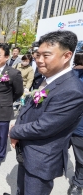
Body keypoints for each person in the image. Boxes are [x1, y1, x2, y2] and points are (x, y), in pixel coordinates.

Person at [8, 30, 83, 195]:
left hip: (40, 160)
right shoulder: (48, 78)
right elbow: (31, 108)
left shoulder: (72, 90)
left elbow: (44, 126)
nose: (39, 60)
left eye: (46, 55)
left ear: (66, 56)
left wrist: (14, 130)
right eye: (37, 54)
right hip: (27, 150)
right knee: (21, 189)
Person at [68, 53, 83, 195]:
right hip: (62, 125)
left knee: (81, 159)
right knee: (52, 152)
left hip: (81, 129)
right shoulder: (68, 74)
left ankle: (78, 183)